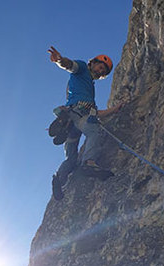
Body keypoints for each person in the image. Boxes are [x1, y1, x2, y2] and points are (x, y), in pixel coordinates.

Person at [47, 46, 125, 200]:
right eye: (100, 66)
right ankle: (89, 163)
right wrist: (59, 60)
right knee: (94, 132)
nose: (101, 70)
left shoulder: (88, 88)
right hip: (80, 114)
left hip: (74, 117)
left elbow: (97, 113)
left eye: (104, 70)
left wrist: (115, 109)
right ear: (92, 63)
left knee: (71, 158)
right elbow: (70, 66)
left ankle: (59, 179)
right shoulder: (82, 68)